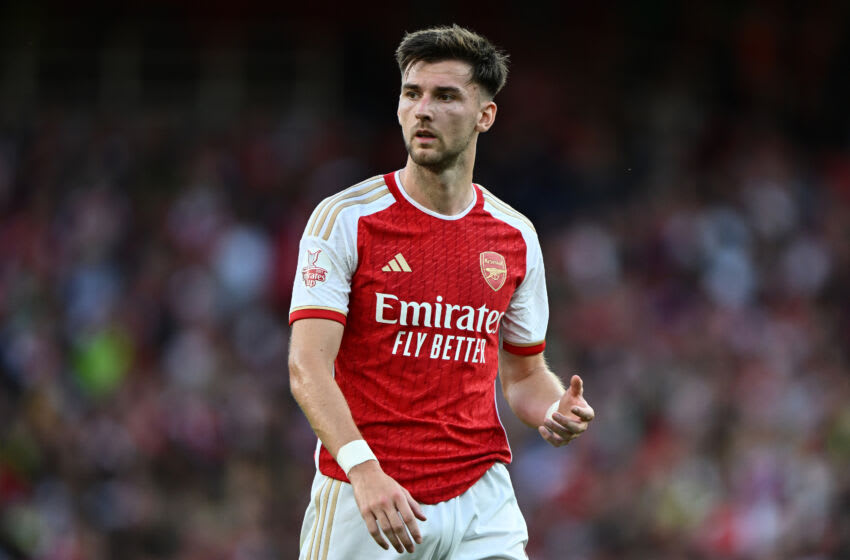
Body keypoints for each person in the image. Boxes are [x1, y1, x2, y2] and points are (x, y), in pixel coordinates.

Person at [288, 24, 595, 559]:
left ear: (485, 115)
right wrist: (364, 471)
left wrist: (552, 410)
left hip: (482, 497)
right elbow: (306, 368)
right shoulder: (345, 219)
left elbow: (523, 374)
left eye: (445, 95)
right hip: (369, 495)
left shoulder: (514, 235)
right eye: (413, 93)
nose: (423, 109)